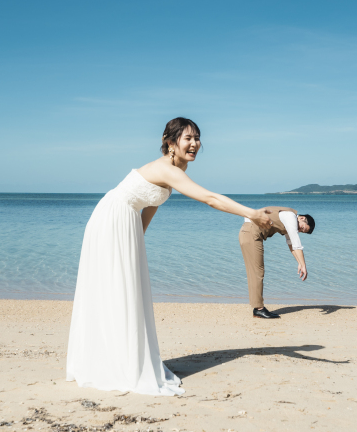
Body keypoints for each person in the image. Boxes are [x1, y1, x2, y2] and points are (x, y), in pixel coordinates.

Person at [66, 117, 273, 396]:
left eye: (197, 138)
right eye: (188, 138)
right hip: (112, 218)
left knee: (125, 288)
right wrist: (252, 213)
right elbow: (210, 198)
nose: (195, 144)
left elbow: (147, 209)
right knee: (116, 290)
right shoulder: (167, 170)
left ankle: (117, 359)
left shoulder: (171, 172)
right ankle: (113, 363)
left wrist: (134, 247)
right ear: (170, 142)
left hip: (121, 221)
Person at [239, 206, 315, 319]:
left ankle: (257, 308)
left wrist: (299, 262)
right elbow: (296, 243)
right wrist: (303, 265)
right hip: (251, 233)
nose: (299, 230)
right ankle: (258, 309)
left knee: (256, 271)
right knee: (257, 272)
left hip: (250, 233)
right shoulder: (290, 217)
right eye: (302, 227)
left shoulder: (289, 220)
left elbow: (291, 244)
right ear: (302, 218)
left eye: (302, 231)